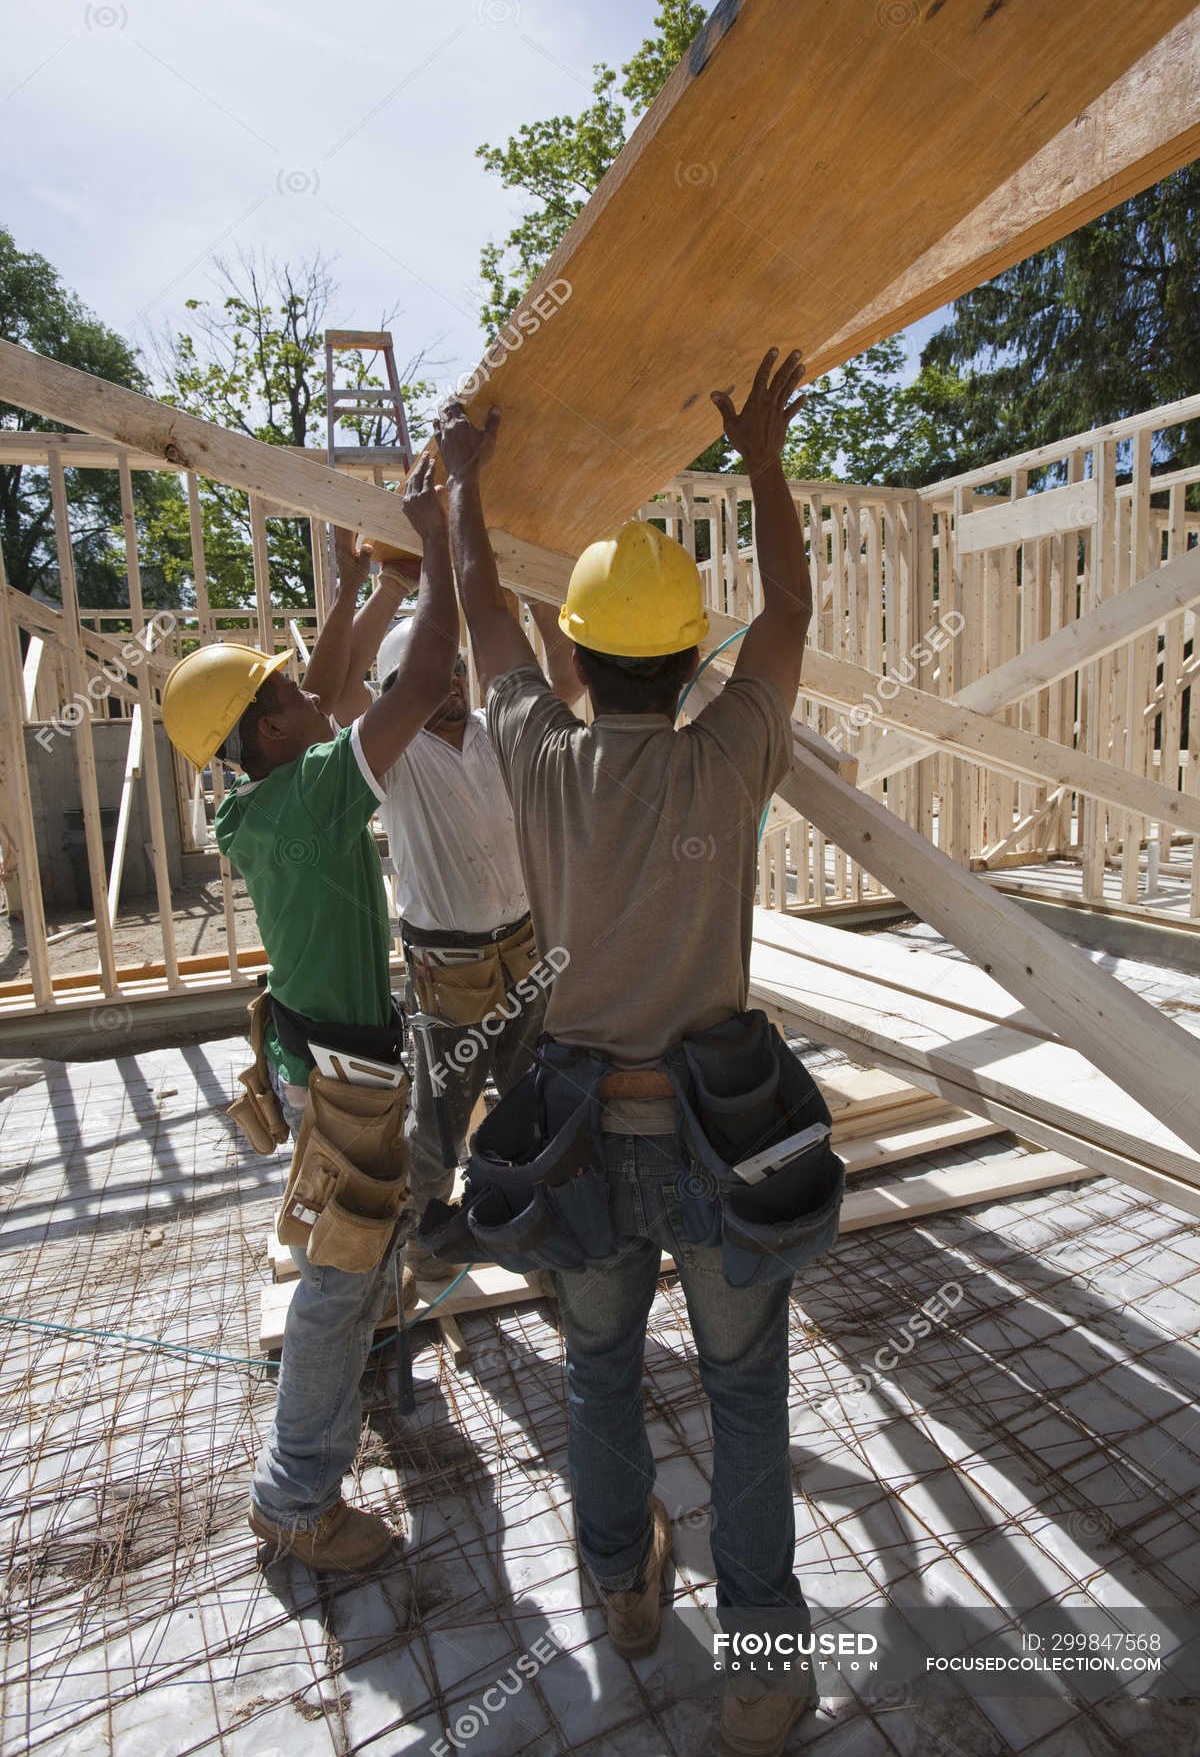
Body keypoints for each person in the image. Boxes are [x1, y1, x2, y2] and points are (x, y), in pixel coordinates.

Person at [436, 351, 838, 1757]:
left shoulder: (537, 754)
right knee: (743, 1397)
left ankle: (621, 1590)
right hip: (721, 1141)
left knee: (600, 1376)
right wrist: (766, 459)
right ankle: (763, 1678)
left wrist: (460, 493)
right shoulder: (725, 760)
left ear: (586, 659)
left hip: (577, 1142)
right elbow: (789, 609)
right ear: (688, 660)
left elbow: (482, 616)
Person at [160, 454, 457, 1573]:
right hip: (343, 1073)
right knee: (335, 1285)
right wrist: (442, 547)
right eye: (283, 695)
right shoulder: (316, 788)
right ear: (270, 730)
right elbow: (416, 688)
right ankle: (294, 1499)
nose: (309, 699)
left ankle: (368, 1341)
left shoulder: (264, 797)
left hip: (310, 1048)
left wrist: (358, 589)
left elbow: (326, 698)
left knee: (364, 1246)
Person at [316, 592, 582, 1293]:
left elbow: (570, 680)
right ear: (395, 693)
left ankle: (531, 1234)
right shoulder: (392, 754)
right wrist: (376, 590)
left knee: (529, 1104)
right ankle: (428, 1248)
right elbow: (341, 690)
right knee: (438, 1123)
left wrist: (537, 595)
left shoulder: (500, 730)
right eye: (427, 677)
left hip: (523, 954)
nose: (450, 684)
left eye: (456, 669)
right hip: (449, 967)